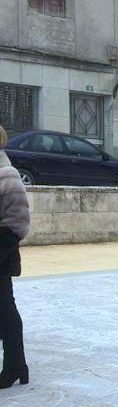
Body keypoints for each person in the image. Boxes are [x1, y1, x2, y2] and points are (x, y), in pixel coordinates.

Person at [0, 124, 30, 390]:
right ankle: (16, 365)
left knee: (5, 311)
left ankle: (14, 366)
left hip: (0, 252)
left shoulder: (7, 175)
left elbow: (18, 222)